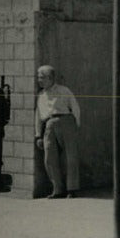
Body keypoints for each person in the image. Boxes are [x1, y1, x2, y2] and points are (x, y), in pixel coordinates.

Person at [35, 64, 81, 199]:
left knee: (70, 156)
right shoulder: (41, 95)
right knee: (49, 158)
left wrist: (75, 126)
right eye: (38, 77)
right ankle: (58, 190)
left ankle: (72, 189)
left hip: (66, 121)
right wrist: (38, 135)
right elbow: (38, 115)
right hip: (49, 124)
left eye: (42, 77)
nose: (39, 80)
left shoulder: (64, 90)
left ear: (50, 78)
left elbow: (75, 107)